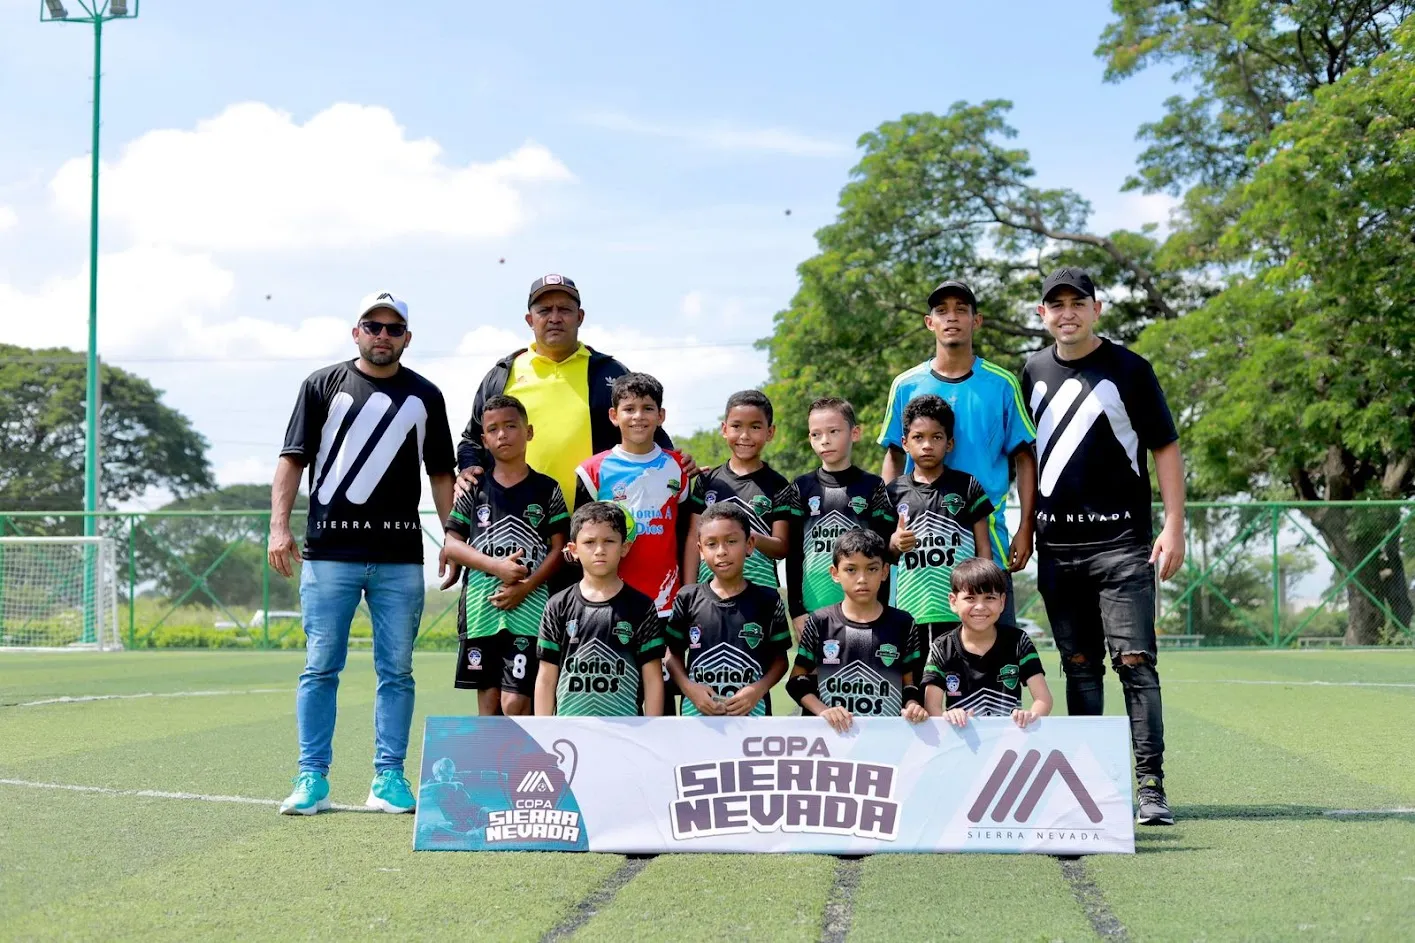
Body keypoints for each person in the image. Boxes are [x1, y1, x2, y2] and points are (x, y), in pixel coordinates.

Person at [268, 290, 455, 816]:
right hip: (329, 553)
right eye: (372, 325)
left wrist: (453, 540)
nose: (382, 335)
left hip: (399, 557)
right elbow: (291, 461)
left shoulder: (426, 396)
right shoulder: (321, 384)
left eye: (393, 328)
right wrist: (278, 528)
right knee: (320, 666)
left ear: (407, 338)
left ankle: (389, 779)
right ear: (356, 332)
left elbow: (441, 473)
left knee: (396, 670)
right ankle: (311, 779)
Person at [1021, 266, 1186, 827]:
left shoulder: (1131, 369)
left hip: (1122, 542)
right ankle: (1091, 784)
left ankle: (1151, 786)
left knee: (1136, 663)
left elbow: (1164, 446)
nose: (1066, 313)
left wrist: (1173, 525)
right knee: (1080, 665)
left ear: (1097, 309)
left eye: (1077, 303)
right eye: (1055, 304)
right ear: (1042, 314)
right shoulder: (1031, 371)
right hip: (1057, 547)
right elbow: (1021, 457)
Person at [454, 275, 686, 516]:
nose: (555, 318)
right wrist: (469, 468)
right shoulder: (502, 375)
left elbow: (647, 431)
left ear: (580, 317)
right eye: (545, 310)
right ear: (530, 319)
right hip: (519, 522)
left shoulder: (609, 372)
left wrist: (677, 463)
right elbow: (472, 439)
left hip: (599, 526)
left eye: (564, 309)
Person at [878, 279, 1037, 627]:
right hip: (918, 550)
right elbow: (892, 455)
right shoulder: (905, 384)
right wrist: (885, 530)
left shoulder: (1002, 383)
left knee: (994, 656)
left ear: (975, 321)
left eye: (961, 310)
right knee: (918, 667)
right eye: (942, 311)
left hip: (986, 541)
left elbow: (1025, 456)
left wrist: (1027, 526)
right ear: (929, 322)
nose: (952, 318)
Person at [438, 394, 568, 717]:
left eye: (511, 426)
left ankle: (526, 767)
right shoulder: (473, 488)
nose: (502, 435)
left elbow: (559, 550)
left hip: (530, 608)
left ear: (529, 432)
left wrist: (526, 585)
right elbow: (452, 545)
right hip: (482, 610)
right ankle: (492, 768)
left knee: (515, 703)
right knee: (490, 702)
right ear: (483, 439)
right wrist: (497, 567)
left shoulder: (546, 489)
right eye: (493, 429)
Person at [786, 529, 928, 732]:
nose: (862, 578)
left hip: (885, 737)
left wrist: (912, 706)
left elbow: (910, 685)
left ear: (885, 572)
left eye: (871, 569)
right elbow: (796, 681)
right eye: (851, 570)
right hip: (831, 737)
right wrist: (823, 710)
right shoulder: (820, 621)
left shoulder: (903, 623)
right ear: (835, 574)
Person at [572, 372, 690, 617]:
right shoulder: (591, 471)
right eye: (629, 409)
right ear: (614, 416)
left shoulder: (679, 468)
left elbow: (687, 534)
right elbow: (580, 537)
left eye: (647, 408)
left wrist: (689, 593)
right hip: (607, 602)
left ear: (661, 416)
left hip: (666, 603)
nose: (638, 416)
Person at [884, 395, 996, 650]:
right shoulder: (893, 492)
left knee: (961, 686)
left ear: (950, 443)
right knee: (918, 687)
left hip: (960, 612)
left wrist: (984, 594)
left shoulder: (967, 486)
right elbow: (885, 555)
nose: (927, 445)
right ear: (905, 443)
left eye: (936, 437)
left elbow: (983, 547)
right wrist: (894, 543)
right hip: (912, 612)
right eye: (918, 437)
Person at [534, 502, 667, 716]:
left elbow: (652, 678)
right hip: (571, 733)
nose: (599, 550)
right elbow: (546, 677)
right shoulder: (557, 605)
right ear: (573, 550)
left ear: (625, 547)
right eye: (589, 542)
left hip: (625, 733)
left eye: (609, 541)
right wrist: (544, 732)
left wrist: (651, 731)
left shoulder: (642, 606)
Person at [666, 502, 792, 717]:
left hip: (752, 717)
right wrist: (690, 689)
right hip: (697, 717)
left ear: (749, 544)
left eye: (732, 542)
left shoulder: (768, 600)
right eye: (711, 544)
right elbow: (671, 654)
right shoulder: (687, 597)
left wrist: (757, 690)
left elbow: (780, 660)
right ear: (701, 551)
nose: (722, 552)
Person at [781, 398, 894, 635]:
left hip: (866, 609)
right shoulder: (801, 487)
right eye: (816, 434)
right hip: (814, 610)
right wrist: (797, 611)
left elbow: (882, 555)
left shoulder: (873, 486)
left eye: (833, 431)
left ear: (855, 433)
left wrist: (881, 608)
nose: (825, 440)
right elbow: (793, 554)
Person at [922, 558, 1052, 728]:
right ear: (953, 602)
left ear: (1002, 602)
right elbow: (931, 706)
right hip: (961, 744)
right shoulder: (941, 647)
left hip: (1007, 743)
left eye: (989, 597)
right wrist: (948, 718)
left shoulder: (1018, 641)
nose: (980, 606)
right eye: (970, 598)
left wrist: (1029, 717)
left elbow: (1043, 699)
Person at [682, 390, 792, 591]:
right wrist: (689, 590)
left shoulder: (779, 485)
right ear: (724, 429)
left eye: (755, 427)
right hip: (710, 592)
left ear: (770, 432)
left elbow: (782, 547)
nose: (745, 435)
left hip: (761, 592)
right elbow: (692, 539)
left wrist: (746, 536)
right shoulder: (707, 481)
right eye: (736, 426)